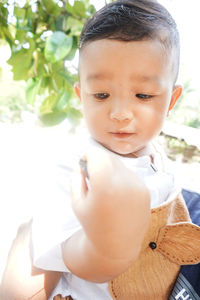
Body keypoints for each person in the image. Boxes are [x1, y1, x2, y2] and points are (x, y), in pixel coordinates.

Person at [1, 0, 200, 299]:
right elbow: (64, 254)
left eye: (143, 95)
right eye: (102, 94)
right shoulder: (78, 168)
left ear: (171, 101)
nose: (120, 112)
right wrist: (106, 248)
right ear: (82, 96)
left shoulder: (161, 161)